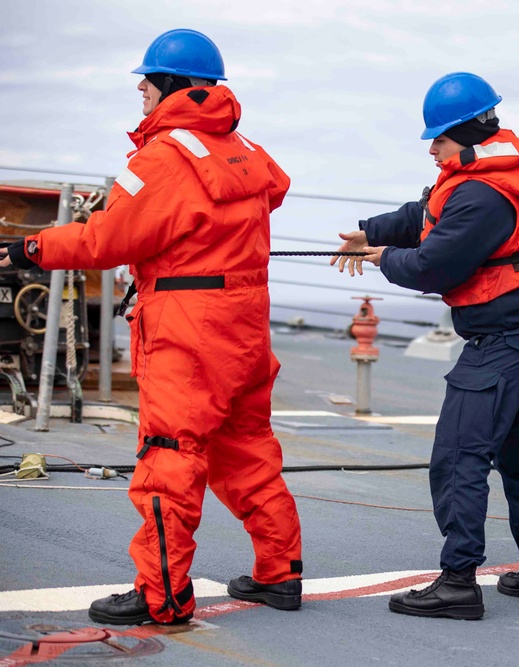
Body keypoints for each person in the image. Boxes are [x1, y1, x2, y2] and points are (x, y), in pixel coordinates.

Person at [0, 29, 304, 625]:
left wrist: (29, 247)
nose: (140, 87)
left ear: (173, 85)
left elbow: (103, 239)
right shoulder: (245, 149)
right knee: (248, 451)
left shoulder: (162, 158)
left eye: (149, 77)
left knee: (171, 455)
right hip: (245, 324)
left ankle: (162, 598)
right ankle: (280, 573)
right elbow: (275, 191)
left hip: (186, 330)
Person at [335, 72, 519, 620]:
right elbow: (424, 215)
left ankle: (459, 580)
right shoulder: (492, 177)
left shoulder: (481, 194)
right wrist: (373, 231)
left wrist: (384, 260)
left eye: (437, 138)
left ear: (464, 134)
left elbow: (433, 264)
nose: (432, 148)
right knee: (517, 451)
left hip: (501, 343)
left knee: (460, 457)